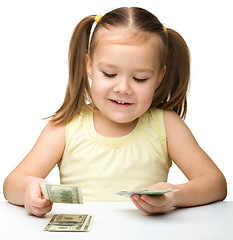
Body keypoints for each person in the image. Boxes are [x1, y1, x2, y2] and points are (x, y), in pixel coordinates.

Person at [3, 7, 227, 217]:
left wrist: (175, 195)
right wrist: (29, 189)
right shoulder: (67, 125)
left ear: (160, 76)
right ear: (89, 66)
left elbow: (216, 184)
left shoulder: (166, 124)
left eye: (140, 78)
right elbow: (11, 184)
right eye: (110, 74)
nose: (123, 88)